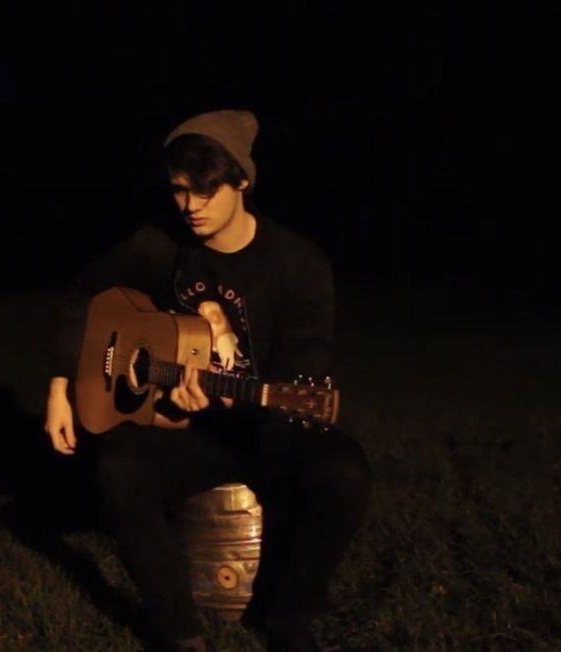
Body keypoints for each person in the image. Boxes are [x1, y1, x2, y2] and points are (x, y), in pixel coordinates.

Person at [44, 109, 372, 652]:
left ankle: (290, 617)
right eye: (178, 191)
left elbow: (303, 370)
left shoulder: (298, 265)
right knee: (119, 469)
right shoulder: (161, 247)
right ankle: (180, 632)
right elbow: (81, 295)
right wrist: (61, 381)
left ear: (242, 181)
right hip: (190, 430)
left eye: (206, 190)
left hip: (270, 424)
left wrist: (252, 396)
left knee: (345, 475)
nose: (190, 207)